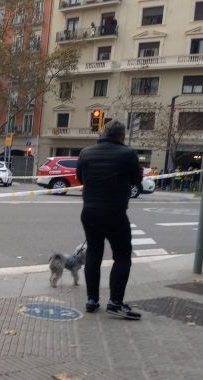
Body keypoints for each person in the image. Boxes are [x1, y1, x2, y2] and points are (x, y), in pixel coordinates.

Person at [76, 121, 142, 320]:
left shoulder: (85, 153)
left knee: (94, 254)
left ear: (105, 134)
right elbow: (136, 180)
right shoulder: (128, 154)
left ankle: (91, 300)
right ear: (121, 136)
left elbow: (81, 178)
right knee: (122, 256)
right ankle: (115, 302)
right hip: (114, 212)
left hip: (90, 211)